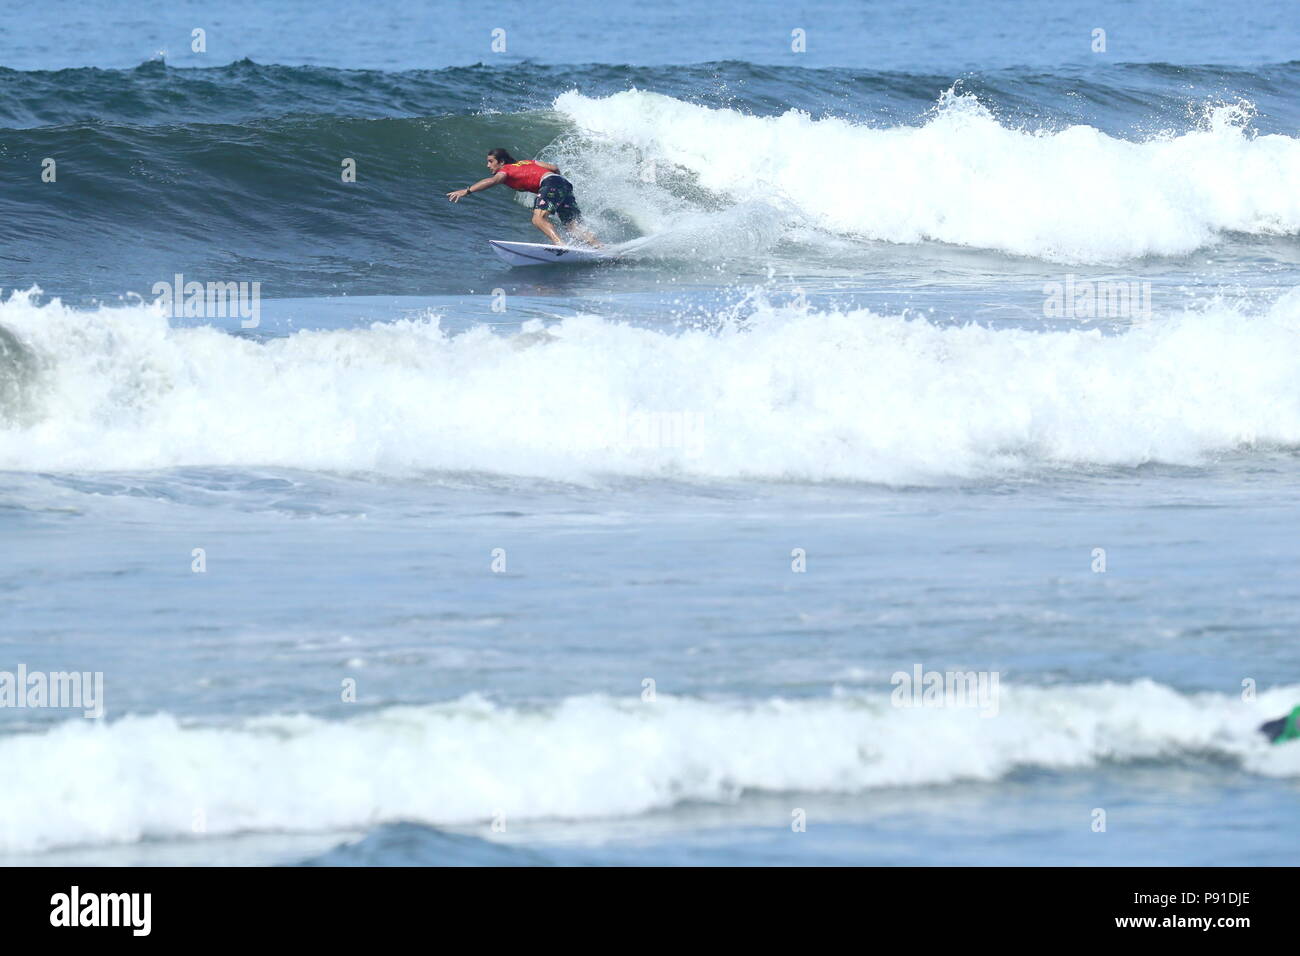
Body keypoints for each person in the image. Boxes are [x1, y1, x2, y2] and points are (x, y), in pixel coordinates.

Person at [447, 148, 601, 247]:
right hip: (563, 183)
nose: (488, 165)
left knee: (538, 219)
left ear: (501, 162)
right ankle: (600, 247)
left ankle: (560, 245)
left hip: (550, 183)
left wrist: (467, 191)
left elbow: (492, 181)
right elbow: (553, 168)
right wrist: (558, 185)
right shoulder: (526, 162)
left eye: (490, 161)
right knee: (572, 226)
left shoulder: (506, 170)